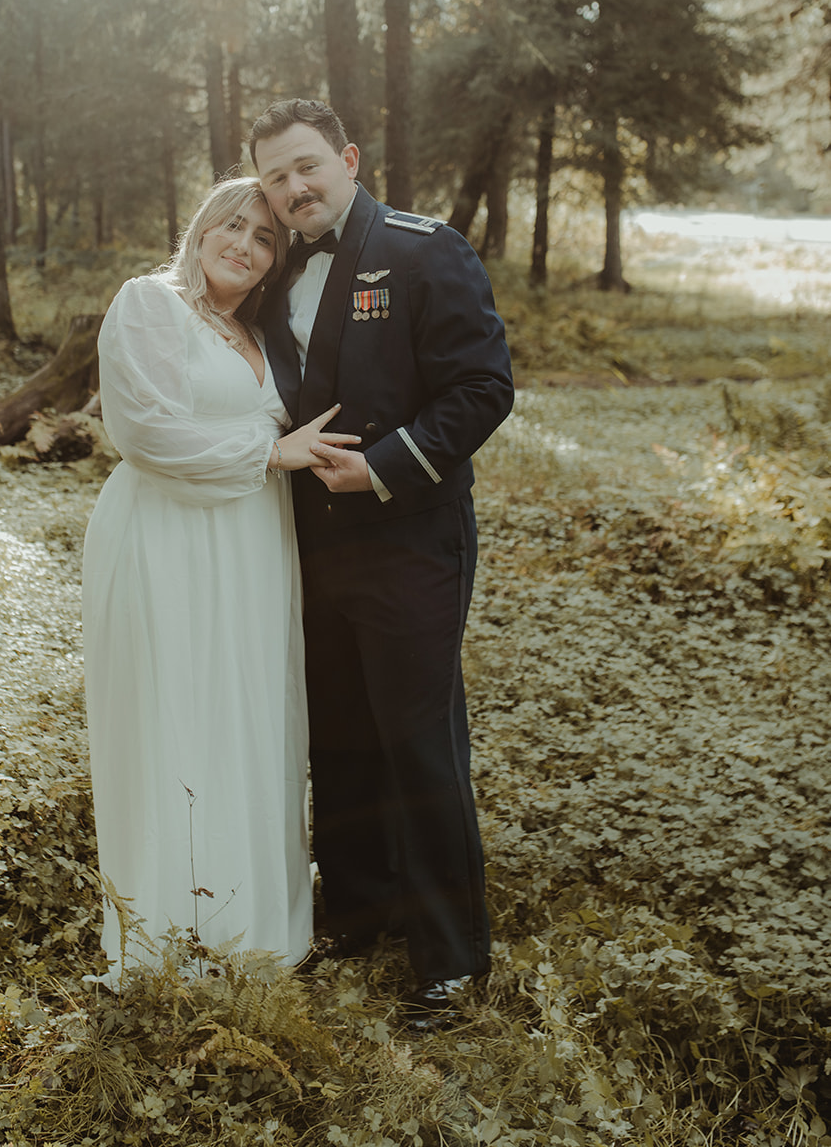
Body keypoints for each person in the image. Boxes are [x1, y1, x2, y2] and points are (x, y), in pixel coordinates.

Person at [250, 98, 514, 1028]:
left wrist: (388, 467)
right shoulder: (269, 267)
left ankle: (449, 960)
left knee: (418, 740)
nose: (294, 189)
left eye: (307, 166)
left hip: (409, 538)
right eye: (276, 176)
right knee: (339, 736)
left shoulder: (422, 248)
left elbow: (484, 386)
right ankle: (358, 915)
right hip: (305, 544)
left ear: (348, 158)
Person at [81, 176, 358, 982]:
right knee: (173, 714)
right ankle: (166, 937)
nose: (242, 244)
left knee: (248, 712)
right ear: (200, 229)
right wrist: (270, 452)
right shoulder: (149, 304)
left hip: (249, 541)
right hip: (167, 533)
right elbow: (147, 433)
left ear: (275, 261)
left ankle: (251, 930)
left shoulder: (259, 332)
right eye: (229, 226)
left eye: (264, 237)